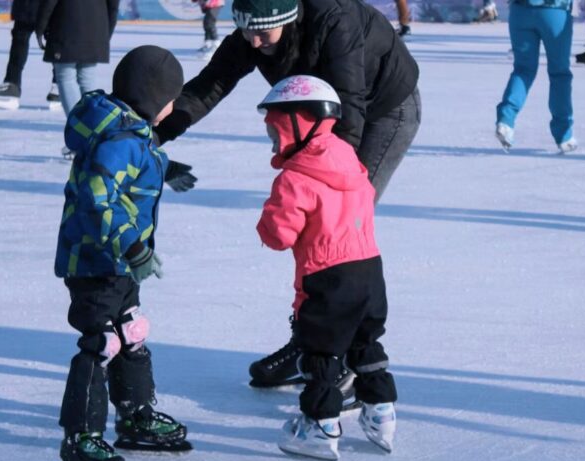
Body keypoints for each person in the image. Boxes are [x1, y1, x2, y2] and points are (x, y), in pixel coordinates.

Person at [152, 0, 420, 394]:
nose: (254, 42)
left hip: (381, 109)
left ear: (288, 19)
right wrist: (158, 132)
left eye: (263, 33)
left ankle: (340, 361)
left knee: (339, 236)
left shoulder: (334, 20)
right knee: (319, 241)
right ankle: (310, 347)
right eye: (246, 31)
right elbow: (212, 83)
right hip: (324, 117)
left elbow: (350, 103)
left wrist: (318, 172)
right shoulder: (256, 29)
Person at [54, 45, 192, 461]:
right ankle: (81, 437)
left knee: (131, 330)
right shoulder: (121, 140)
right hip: (97, 261)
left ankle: (134, 415)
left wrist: (165, 167)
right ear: (155, 100)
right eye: (171, 98)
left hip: (117, 263)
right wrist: (133, 248)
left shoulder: (130, 133)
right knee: (103, 341)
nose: (173, 107)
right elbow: (99, 197)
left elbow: (137, 161)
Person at [255, 75, 397, 461]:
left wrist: (268, 216)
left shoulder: (295, 177)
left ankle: (319, 427)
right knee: (365, 342)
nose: (273, 138)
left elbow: (278, 235)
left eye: (276, 129)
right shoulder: (350, 160)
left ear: (299, 122)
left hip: (328, 277)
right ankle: (381, 412)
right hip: (370, 272)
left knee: (323, 353)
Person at [494, 0, 576, 153]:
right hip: (554, 11)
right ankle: (564, 134)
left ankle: (506, 119)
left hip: (521, 11)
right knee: (560, 73)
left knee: (523, 69)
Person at [0, 0, 60, 110]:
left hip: (51, 7)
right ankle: (12, 84)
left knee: (55, 39)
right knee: (20, 37)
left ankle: (59, 84)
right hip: (27, 8)